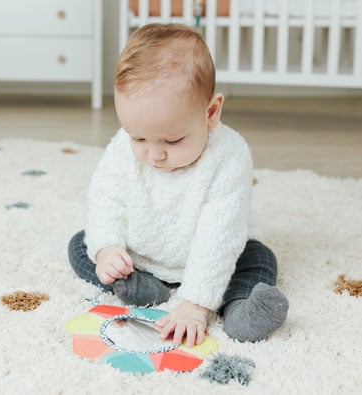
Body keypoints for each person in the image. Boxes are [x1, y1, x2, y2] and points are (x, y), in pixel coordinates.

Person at [68, 23, 289, 347]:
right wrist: (107, 249)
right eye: (138, 137)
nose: (154, 153)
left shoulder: (229, 155)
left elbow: (220, 235)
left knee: (260, 257)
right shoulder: (122, 148)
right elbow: (106, 197)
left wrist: (196, 304)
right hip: (141, 255)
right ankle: (142, 286)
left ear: (211, 112)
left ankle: (241, 313)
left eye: (172, 139)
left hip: (211, 260)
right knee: (81, 245)